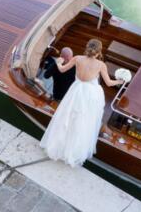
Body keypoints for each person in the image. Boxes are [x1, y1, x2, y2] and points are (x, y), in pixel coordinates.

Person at [40, 39, 124, 167]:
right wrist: (120, 82)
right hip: (91, 96)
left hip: (76, 91)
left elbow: (62, 70)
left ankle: (59, 146)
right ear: (99, 51)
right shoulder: (101, 65)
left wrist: (58, 62)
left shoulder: (77, 59)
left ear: (87, 47)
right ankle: (74, 151)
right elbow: (108, 83)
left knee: (67, 117)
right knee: (85, 121)